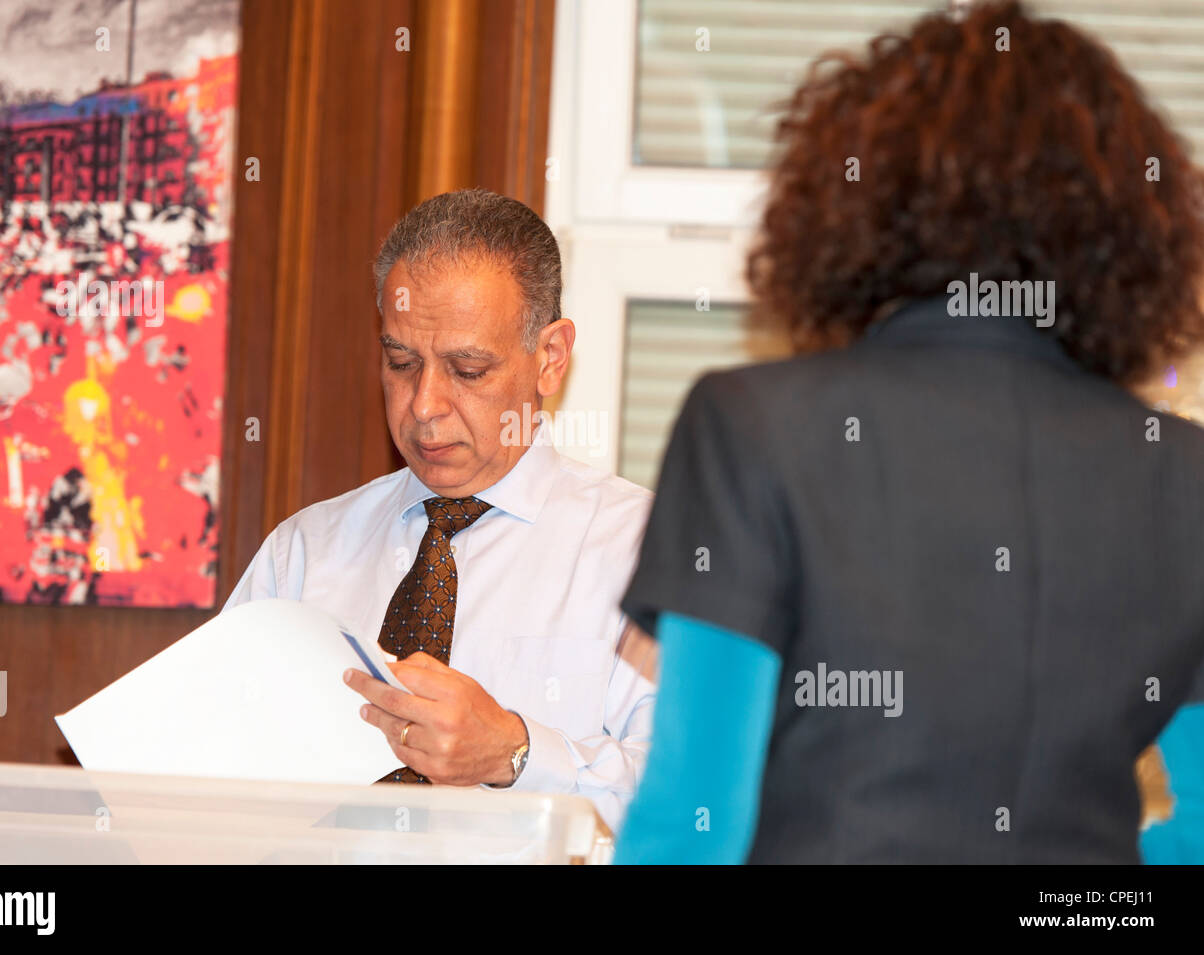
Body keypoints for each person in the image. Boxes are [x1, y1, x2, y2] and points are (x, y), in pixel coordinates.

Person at [615, 0, 1204, 863]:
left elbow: (693, 820)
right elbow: (1192, 830)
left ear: (860, 196)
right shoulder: (1184, 477)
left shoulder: (750, 425)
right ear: (1121, 229)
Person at [224, 188, 655, 831]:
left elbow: (695, 799)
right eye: (401, 363)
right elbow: (212, 773)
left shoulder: (643, 551)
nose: (424, 404)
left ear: (551, 358)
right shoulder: (304, 553)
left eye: (468, 369)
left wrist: (516, 752)